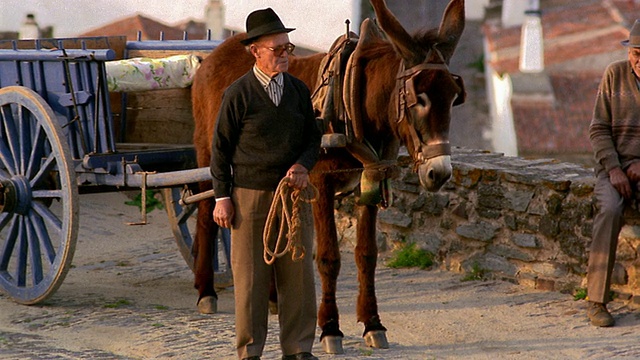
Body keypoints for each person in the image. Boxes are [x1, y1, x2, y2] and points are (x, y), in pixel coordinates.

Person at [210, 7, 322, 360]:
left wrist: (304, 166)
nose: (286, 55)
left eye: (288, 47)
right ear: (255, 50)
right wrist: (221, 198)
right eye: (277, 49)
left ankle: (299, 350)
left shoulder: (299, 91)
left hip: (294, 197)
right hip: (249, 199)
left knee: (299, 280)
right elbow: (220, 151)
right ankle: (249, 352)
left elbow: (312, 138)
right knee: (251, 284)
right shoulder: (237, 95)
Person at [587, 19, 640, 327]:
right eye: (635, 53)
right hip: (614, 168)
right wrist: (615, 169)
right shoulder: (613, 75)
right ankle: (596, 301)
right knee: (609, 210)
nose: (639, 60)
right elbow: (598, 129)